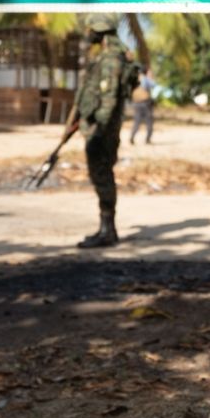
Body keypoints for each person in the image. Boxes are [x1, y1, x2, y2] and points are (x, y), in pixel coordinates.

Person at [67, 13, 137, 247]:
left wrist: (98, 129)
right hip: (100, 124)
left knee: (102, 175)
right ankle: (106, 228)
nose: (88, 34)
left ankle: (107, 231)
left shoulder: (111, 59)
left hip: (102, 127)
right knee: (102, 174)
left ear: (99, 31)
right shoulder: (113, 55)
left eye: (91, 30)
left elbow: (108, 99)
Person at [130, 66, 158, 145]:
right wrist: (149, 77)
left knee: (137, 122)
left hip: (136, 103)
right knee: (149, 122)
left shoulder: (134, 80)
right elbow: (153, 85)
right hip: (146, 103)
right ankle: (148, 139)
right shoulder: (145, 79)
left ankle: (132, 137)